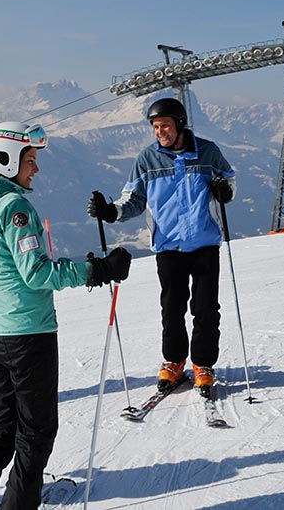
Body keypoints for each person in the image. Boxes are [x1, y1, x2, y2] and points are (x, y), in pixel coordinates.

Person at [0, 121, 131, 510]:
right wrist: (97, 270)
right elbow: (37, 273)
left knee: (2, 427)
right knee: (36, 432)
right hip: (28, 334)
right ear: (6, 159)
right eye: (30, 160)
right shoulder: (13, 207)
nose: (36, 168)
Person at [87, 96, 235, 396]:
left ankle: (203, 364)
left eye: (164, 125)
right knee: (172, 307)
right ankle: (175, 361)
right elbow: (133, 199)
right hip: (168, 246)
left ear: (179, 124)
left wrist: (224, 190)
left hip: (205, 242)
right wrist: (111, 212)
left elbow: (228, 180)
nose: (159, 132)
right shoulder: (148, 159)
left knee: (206, 308)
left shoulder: (207, 151)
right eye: (155, 127)